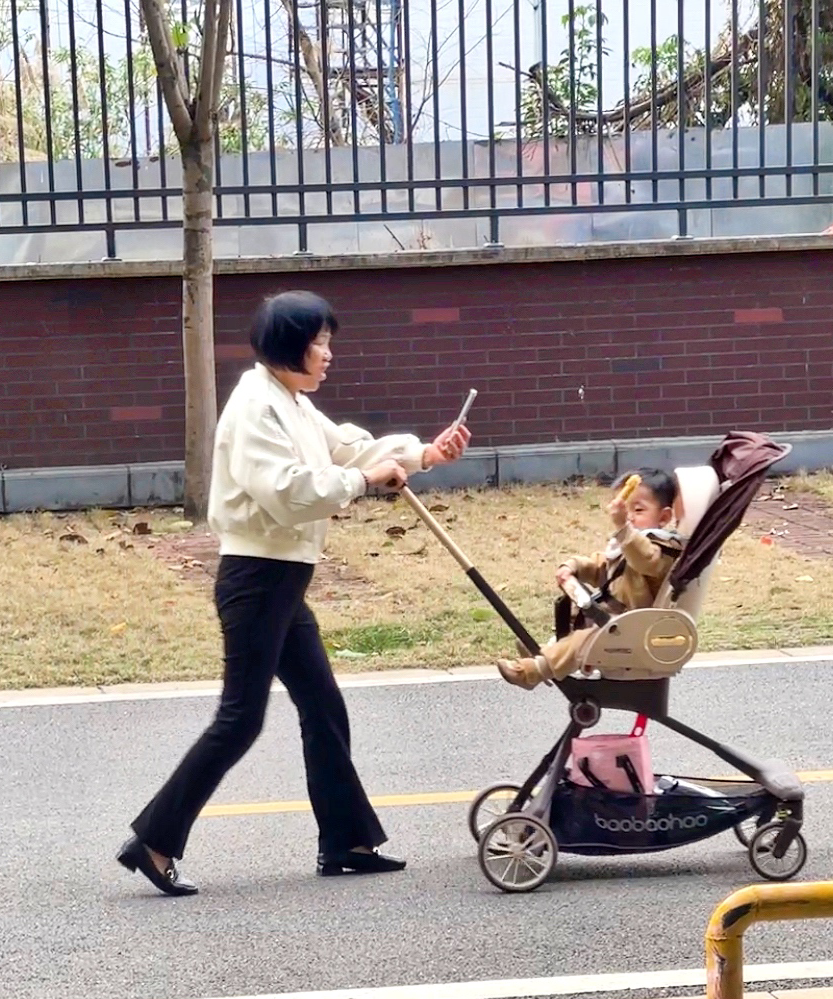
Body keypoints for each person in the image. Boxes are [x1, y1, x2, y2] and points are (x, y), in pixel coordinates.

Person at [118, 290, 470, 896]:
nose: (329, 353)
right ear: (290, 345)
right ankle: (152, 841)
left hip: (281, 580)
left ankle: (346, 843)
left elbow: (349, 449)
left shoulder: (291, 403)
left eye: (329, 340)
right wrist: (364, 479)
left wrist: (424, 453)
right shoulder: (256, 407)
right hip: (257, 579)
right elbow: (288, 490)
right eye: (320, 342)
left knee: (322, 705)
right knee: (240, 719)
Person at [496, 467, 683, 690]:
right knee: (575, 617)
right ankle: (547, 653)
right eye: (626, 508)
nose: (630, 516)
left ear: (663, 517)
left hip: (632, 628)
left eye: (639, 510)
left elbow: (645, 560)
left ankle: (533, 671)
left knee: (583, 641)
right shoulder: (631, 542)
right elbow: (604, 566)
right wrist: (575, 566)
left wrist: (624, 527)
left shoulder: (662, 549)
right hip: (615, 618)